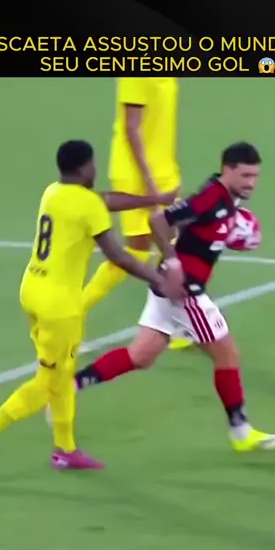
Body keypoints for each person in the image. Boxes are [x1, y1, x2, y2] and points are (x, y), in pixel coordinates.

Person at [0, 140, 185, 476]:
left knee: (63, 372)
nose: (95, 169)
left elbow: (104, 200)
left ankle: (65, 450)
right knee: (51, 381)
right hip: (59, 307)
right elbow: (118, 256)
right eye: (92, 164)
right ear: (84, 168)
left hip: (32, 291)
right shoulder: (87, 205)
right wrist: (158, 279)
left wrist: (153, 199)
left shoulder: (53, 192)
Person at [73, 143, 275, 453]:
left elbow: (195, 227)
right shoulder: (210, 197)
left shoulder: (227, 199)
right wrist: (172, 263)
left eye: (255, 176)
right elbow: (159, 221)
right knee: (227, 354)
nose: (251, 182)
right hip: (185, 292)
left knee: (141, 356)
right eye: (245, 175)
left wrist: (226, 233)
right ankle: (241, 432)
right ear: (227, 170)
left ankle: (69, 387)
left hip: (169, 289)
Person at [81, 77, 193, 351]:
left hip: (163, 170)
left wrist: (168, 171)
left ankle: (173, 322)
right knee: (140, 251)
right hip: (137, 176)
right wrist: (150, 184)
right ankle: (75, 312)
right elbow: (131, 129)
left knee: (173, 245)